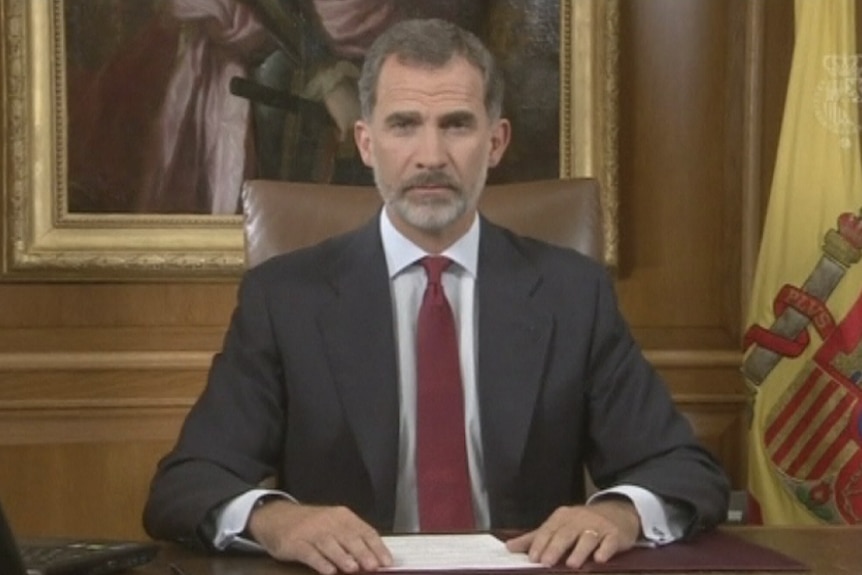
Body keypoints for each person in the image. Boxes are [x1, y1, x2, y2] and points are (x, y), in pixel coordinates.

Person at [143, 18, 730, 575]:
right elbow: (187, 483)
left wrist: (617, 513)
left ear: (495, 142)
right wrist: (277, 518)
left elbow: (685, 470)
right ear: (366, 143)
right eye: (404, 125)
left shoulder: (571, 294)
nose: (430, 156)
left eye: (456, 124)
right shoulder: (286, 298)